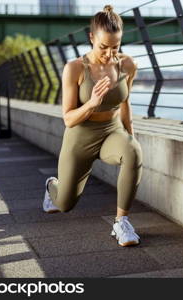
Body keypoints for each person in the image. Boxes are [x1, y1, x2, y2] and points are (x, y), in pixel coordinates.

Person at [42, 5, 143, 247]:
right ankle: (51, 186)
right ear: (91, 38)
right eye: (103, 47)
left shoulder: (128, 65)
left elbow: (125, 103)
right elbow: (68, 118)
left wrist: (130, 137)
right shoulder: (75, 68)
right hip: (80, 135)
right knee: (65, 204)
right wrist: (92, 103)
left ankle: (121, 222)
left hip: (111, 130)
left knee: (133, 151)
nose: (110, 54)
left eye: (115, 47)